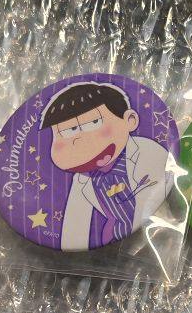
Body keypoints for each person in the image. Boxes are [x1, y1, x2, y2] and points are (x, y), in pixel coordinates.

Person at [41, 81, 170, 249]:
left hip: (150, 237)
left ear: (130, 120)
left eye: (94, 122)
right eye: (67, 131)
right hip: (111, 242)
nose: (78, 139)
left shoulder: (148, 151)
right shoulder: (82, 179)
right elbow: (75, 225)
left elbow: (151, 199)